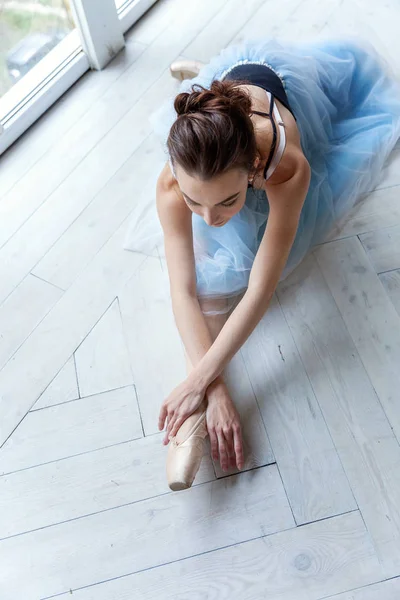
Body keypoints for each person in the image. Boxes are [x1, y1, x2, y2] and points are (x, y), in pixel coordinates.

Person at [125, 38, 400, 488]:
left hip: (283, 100)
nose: (209, 221)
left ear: (252, 170)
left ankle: (217, 86)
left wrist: (197, 381)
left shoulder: (285, 165)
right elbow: (184, 290)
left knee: (241, 261)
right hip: (231, 116)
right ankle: (208, 80)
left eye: (227, 201)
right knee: (212, 273)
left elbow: (259, 288)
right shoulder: (173, 184)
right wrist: (213, 391)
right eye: (195, 202)